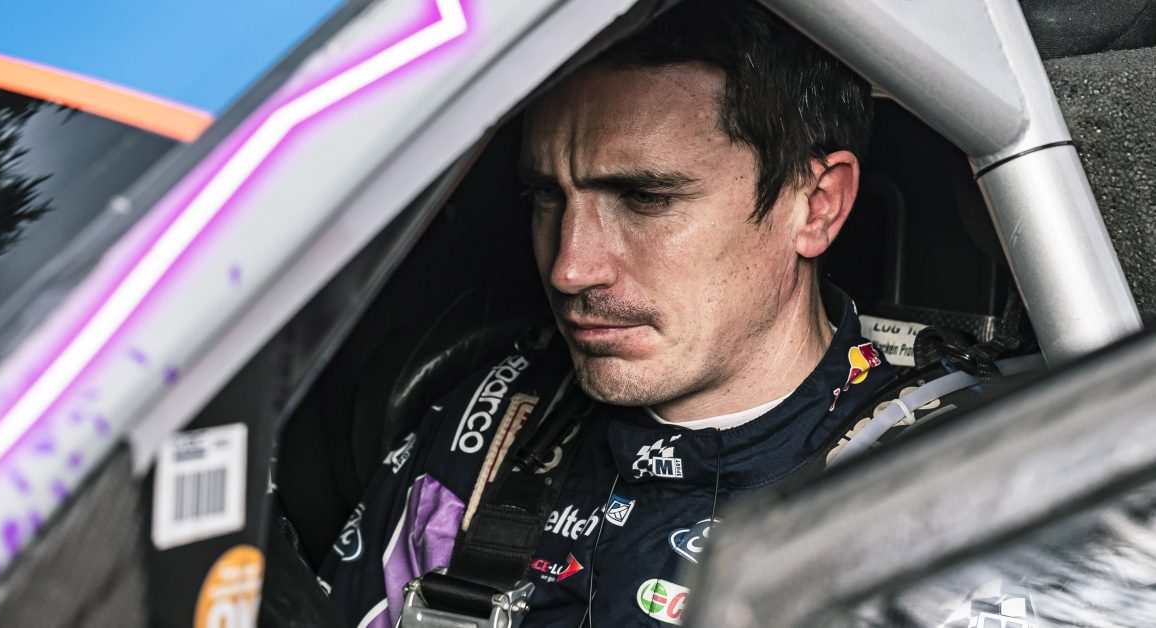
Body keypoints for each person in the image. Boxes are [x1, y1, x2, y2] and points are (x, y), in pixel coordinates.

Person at [317, 1, 895, 625]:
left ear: (816, 206)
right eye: (547, 195)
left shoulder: (934, 498)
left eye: (645, 197)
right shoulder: (492, 427)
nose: (569, 269)